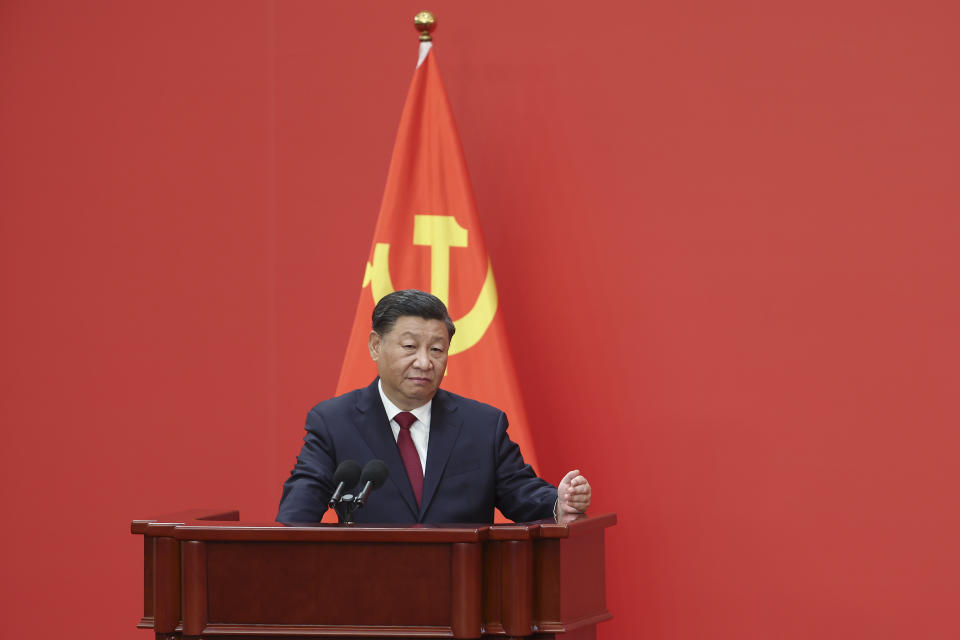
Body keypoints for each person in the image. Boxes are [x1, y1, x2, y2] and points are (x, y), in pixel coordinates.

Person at [277, 289, 591, 524]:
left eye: (437, 349)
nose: (425, 362)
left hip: (465, 597)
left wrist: (558, 503)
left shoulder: (482, 425)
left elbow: (521, 492)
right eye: (410, 347)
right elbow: (298, 512)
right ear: (376, 345)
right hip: (368, 598)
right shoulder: (333, 423)